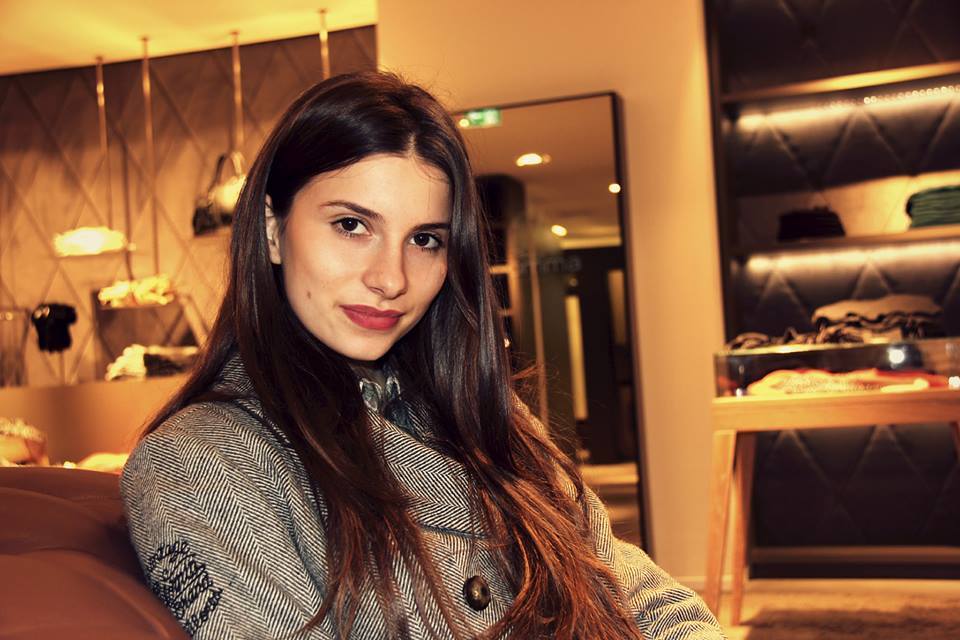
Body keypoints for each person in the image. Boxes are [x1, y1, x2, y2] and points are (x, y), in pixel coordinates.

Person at [121, 71, 725, 640]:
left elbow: (641, 595)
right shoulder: (199, 460)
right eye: (352, 225)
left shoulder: (487, 414)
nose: (391, 278)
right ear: (273, 230)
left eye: (425, 239)